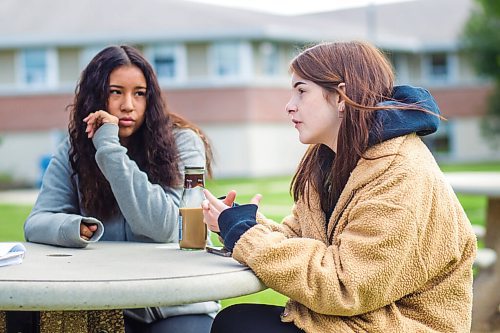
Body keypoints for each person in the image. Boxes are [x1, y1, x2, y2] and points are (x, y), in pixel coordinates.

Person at [202, 41, 477, 333]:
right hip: (361, 318)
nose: (289, 105)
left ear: (341, 97)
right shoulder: (331, 159)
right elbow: (300, 237)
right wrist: (241, 223)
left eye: (302, 91)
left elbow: (346, 286)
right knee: (237, 321)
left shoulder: (399, 172)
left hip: (400, 324)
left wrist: (247, 236)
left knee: (239, 326)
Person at [23, 45, 217, 333]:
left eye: (139, 93)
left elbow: (166, 226)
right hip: (110, 307)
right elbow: (37, 222)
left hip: (179, 303)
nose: (128, 105)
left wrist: (109, 149)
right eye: (116, 92)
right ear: (95, 95)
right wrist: (76, 227)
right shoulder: (73, 151)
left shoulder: (184, 143)